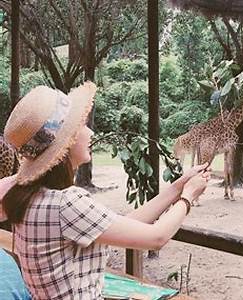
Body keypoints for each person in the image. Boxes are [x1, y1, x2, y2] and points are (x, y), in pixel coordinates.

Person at [0, 82, 211, 299]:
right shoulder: (67, 203)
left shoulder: (30, 197)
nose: (90, 131)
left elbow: (123, 224)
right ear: (66, 144)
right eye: (81, 125)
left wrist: (178, 186)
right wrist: (188, 197)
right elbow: (157, 238)